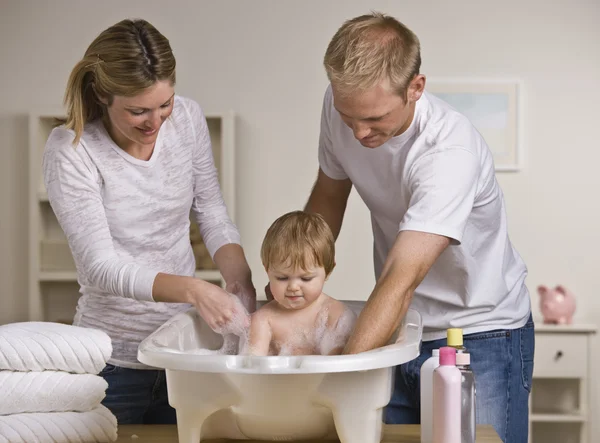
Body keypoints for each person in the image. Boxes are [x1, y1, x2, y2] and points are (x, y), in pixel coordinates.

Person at [301, 12, 534, 443]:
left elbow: (401, 277)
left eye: (374, 119)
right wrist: (295, 281)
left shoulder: (449, 152)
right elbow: (330, 195)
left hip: (479, 329)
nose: (357, 131)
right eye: (347, 115)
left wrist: (336, 377)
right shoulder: (347, 108)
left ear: (416, 88)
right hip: (400, 323)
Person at [42, 18, 256, 425]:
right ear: (103, 94)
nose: (155, 122)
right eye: (138, 111)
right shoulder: (71, 150)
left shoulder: (188, 119)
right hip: (113, 363)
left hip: (185, 352)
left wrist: (239, 278)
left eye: (165, 104)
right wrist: (194, 290)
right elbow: (101, 266)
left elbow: (210, 211)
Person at [247, 211, 356, 356]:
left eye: (305, 279)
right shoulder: (263, 320)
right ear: (267, 270)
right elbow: (252, 367)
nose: (293, 287)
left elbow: (337, 368)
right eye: (282, 278)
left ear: (328, 271)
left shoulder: (336, 315)